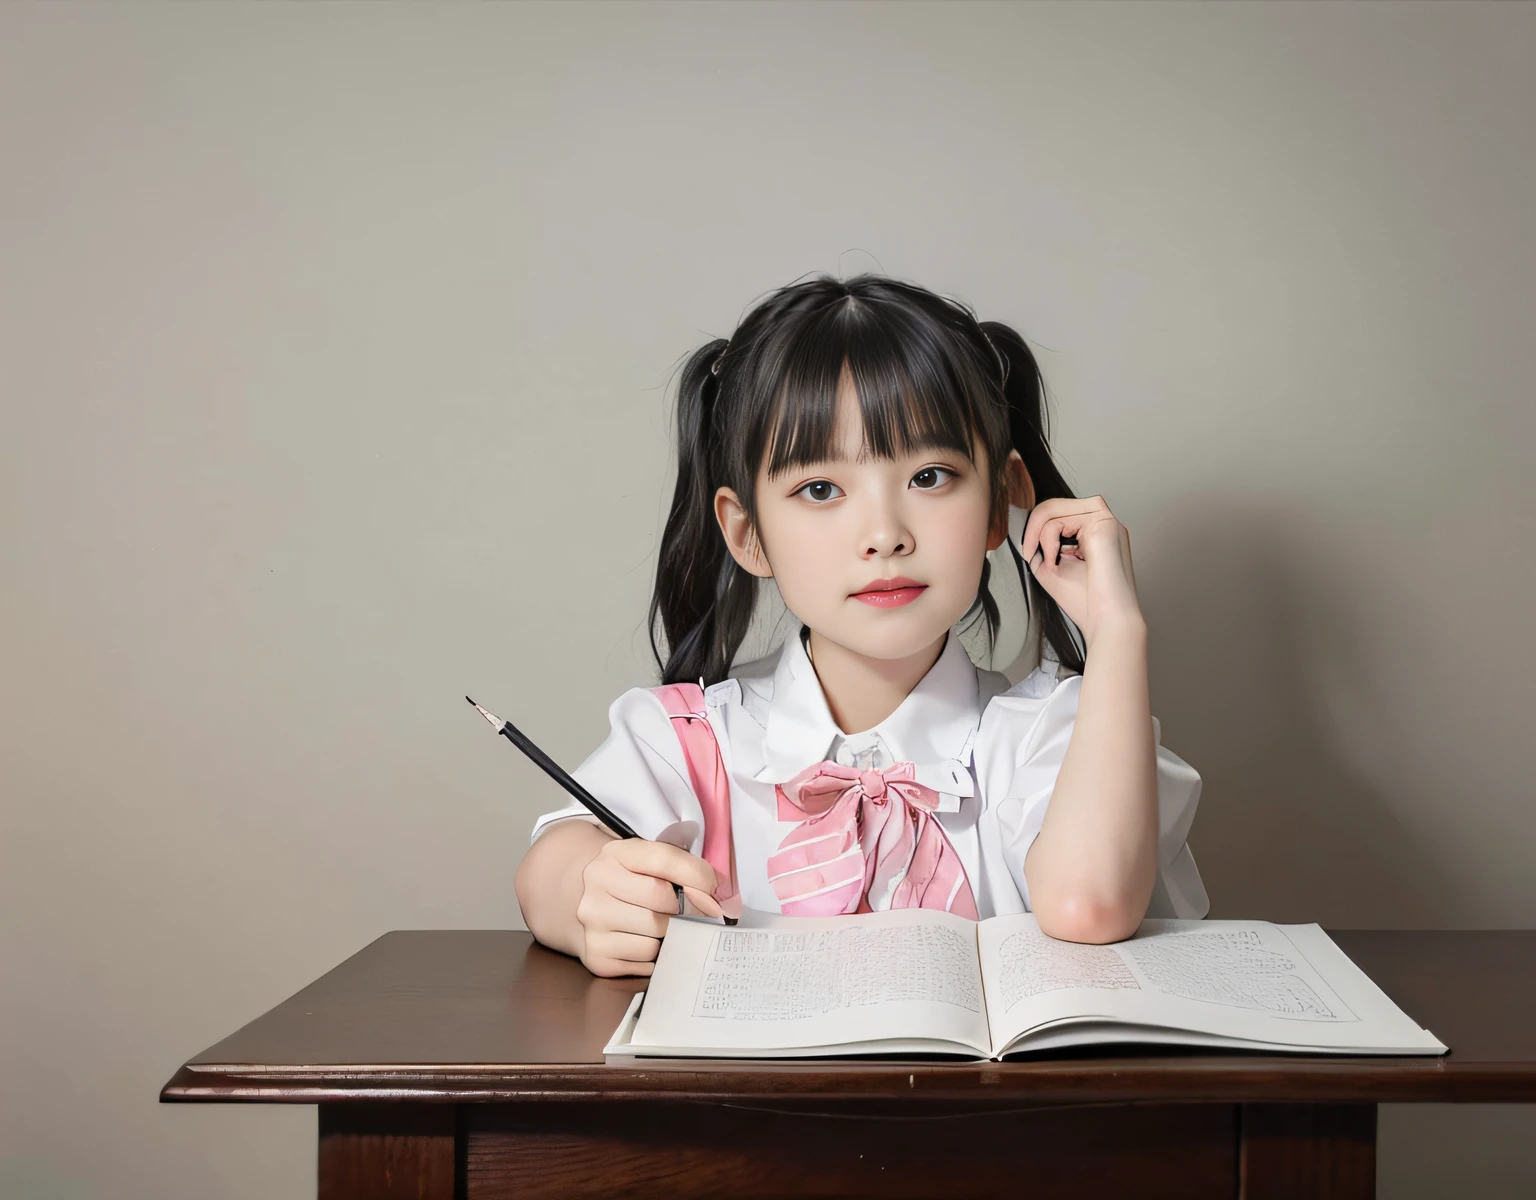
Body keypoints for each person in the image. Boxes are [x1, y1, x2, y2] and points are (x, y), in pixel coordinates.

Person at [515, 272, 1208, 978]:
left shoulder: (1054, 735)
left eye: (931, 477)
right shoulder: (693, 740)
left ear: (1000, 505)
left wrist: (1118, 631)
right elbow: (552, 863)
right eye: (821, 489)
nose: (884, 534)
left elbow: (1088, 906)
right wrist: (588, 896)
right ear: (747, 533)